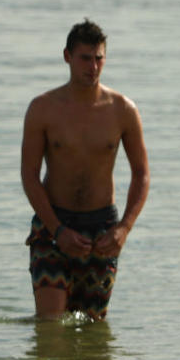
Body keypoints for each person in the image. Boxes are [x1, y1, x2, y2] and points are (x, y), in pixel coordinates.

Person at [20, 18, 149, 321]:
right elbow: (29, 176)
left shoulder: (122, 110)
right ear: (67, 56)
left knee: (92, 328)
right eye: (85, 58)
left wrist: (124, 228)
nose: (92, 66)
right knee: (51, 324)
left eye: (98, 58)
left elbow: (141, 174)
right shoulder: (43, 108)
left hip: (102, 228)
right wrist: (57, 229)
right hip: (53, 225)